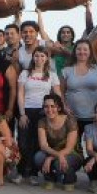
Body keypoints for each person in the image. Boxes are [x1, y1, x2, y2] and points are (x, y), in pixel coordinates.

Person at [17, 47, 61, 184]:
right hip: (27, 110)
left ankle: (34, 173)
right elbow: (20, 94)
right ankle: (22, 172)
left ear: (47, 58)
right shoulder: (25, 73)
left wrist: (60, 111)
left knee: (37, 144)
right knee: (23, 143)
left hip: (44, 112)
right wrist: (22, 113)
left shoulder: (52, 75)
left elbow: (57, 94)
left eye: (42, 56)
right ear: (33, 57)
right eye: (36, 56)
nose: (39, 59)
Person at [36, 93, 82, 191]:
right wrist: (57, 155)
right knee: (38, 157)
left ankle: (70, 179)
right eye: (46, 106)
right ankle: (50, 179)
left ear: (59, 108)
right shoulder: (42, 122)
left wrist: (51, 158)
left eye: (53, 106)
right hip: (54, 152)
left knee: (58, 163)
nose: (49, 110)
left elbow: (69, 148)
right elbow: (43, 146)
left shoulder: (70, 120)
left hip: (72, 154)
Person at [60, 39, 97, 136]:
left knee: (93, 146)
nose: (82, 52)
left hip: (96, 116)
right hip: (72, 116)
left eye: (85, 49)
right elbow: (61, 92)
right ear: (75, 51)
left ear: (90, 52)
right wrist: (64, 106)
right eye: (79, 49)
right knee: (76, 148)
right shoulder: (66, 70)